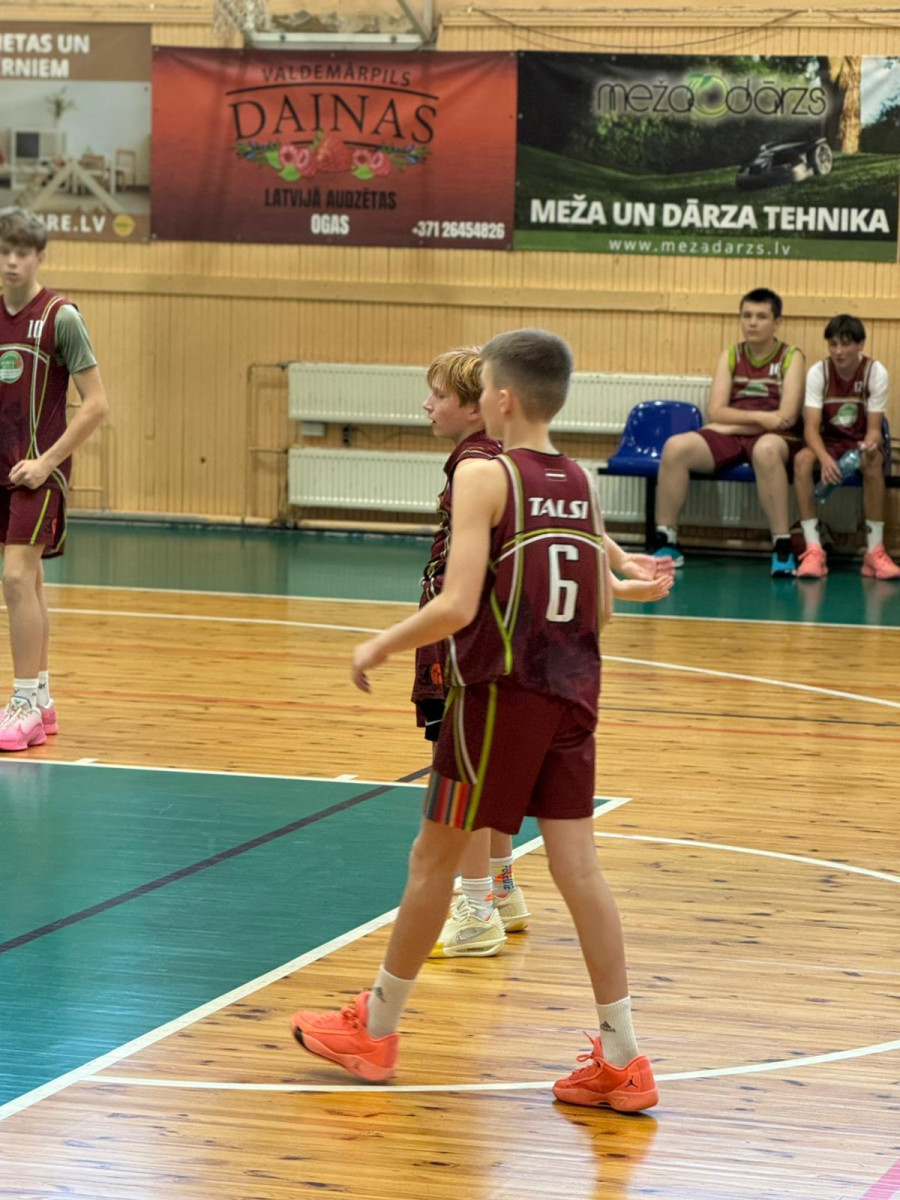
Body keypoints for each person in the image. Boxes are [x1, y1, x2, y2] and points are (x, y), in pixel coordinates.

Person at [291, 328, 673, 1111]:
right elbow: (598, 605)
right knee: (579, 871)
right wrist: (626, 589)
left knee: (432, 860)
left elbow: (459, 603)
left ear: (499, 398)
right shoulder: (581, 480)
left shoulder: (486, 475)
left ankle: (376, 1030)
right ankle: (623, 1057)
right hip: (575, 694)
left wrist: (381, 644)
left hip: (500, 697)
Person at [417, 347, 675, 960]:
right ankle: (501, 891)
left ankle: (476, 907)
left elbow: (539, 542)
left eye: (439, 395)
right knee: (493, 779)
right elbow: (564, 531)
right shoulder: (509, 462)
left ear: (481, 406)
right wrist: (617, 569)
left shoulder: (480, 466)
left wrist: (380, 644)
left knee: (469, 782)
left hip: (475, 638)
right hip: (512, 641)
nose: (427, 405)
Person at [0, 206, 109, 752]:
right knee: (32, 580)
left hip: (42, 471)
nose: (11, 261)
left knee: (16, 576)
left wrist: (47, 463)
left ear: (40, 256)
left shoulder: (60, 317)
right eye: (4, 250)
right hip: (3, 465)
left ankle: (21, 702)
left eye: (22, 252)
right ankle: (40, 697)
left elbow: (97, 404)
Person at [649, 288, 806, 576]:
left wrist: (732, 424)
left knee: (766, 450)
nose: (752, 323)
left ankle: (782, 546)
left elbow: (785, 418)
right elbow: (716, 411)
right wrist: (757, 419)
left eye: (761, 317)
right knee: (675, 447)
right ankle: (667, 541)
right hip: (735, 434)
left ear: (777, 322)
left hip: (776, 439)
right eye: (747, 316)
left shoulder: (791, 357)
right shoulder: (731, 355)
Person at [794, 314, 899, 580]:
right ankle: (814, 549)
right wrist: (824, 458)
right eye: (833, 344)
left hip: (858, 444)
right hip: (827, 442)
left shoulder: (875, 372)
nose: (838, 351)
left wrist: (870, 443)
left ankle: (874, 552)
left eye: (846, 344)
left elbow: (874, 428)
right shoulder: (818, 372)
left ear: (860, 345)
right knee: (802, 460)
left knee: (874, 460)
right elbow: (810, 429)